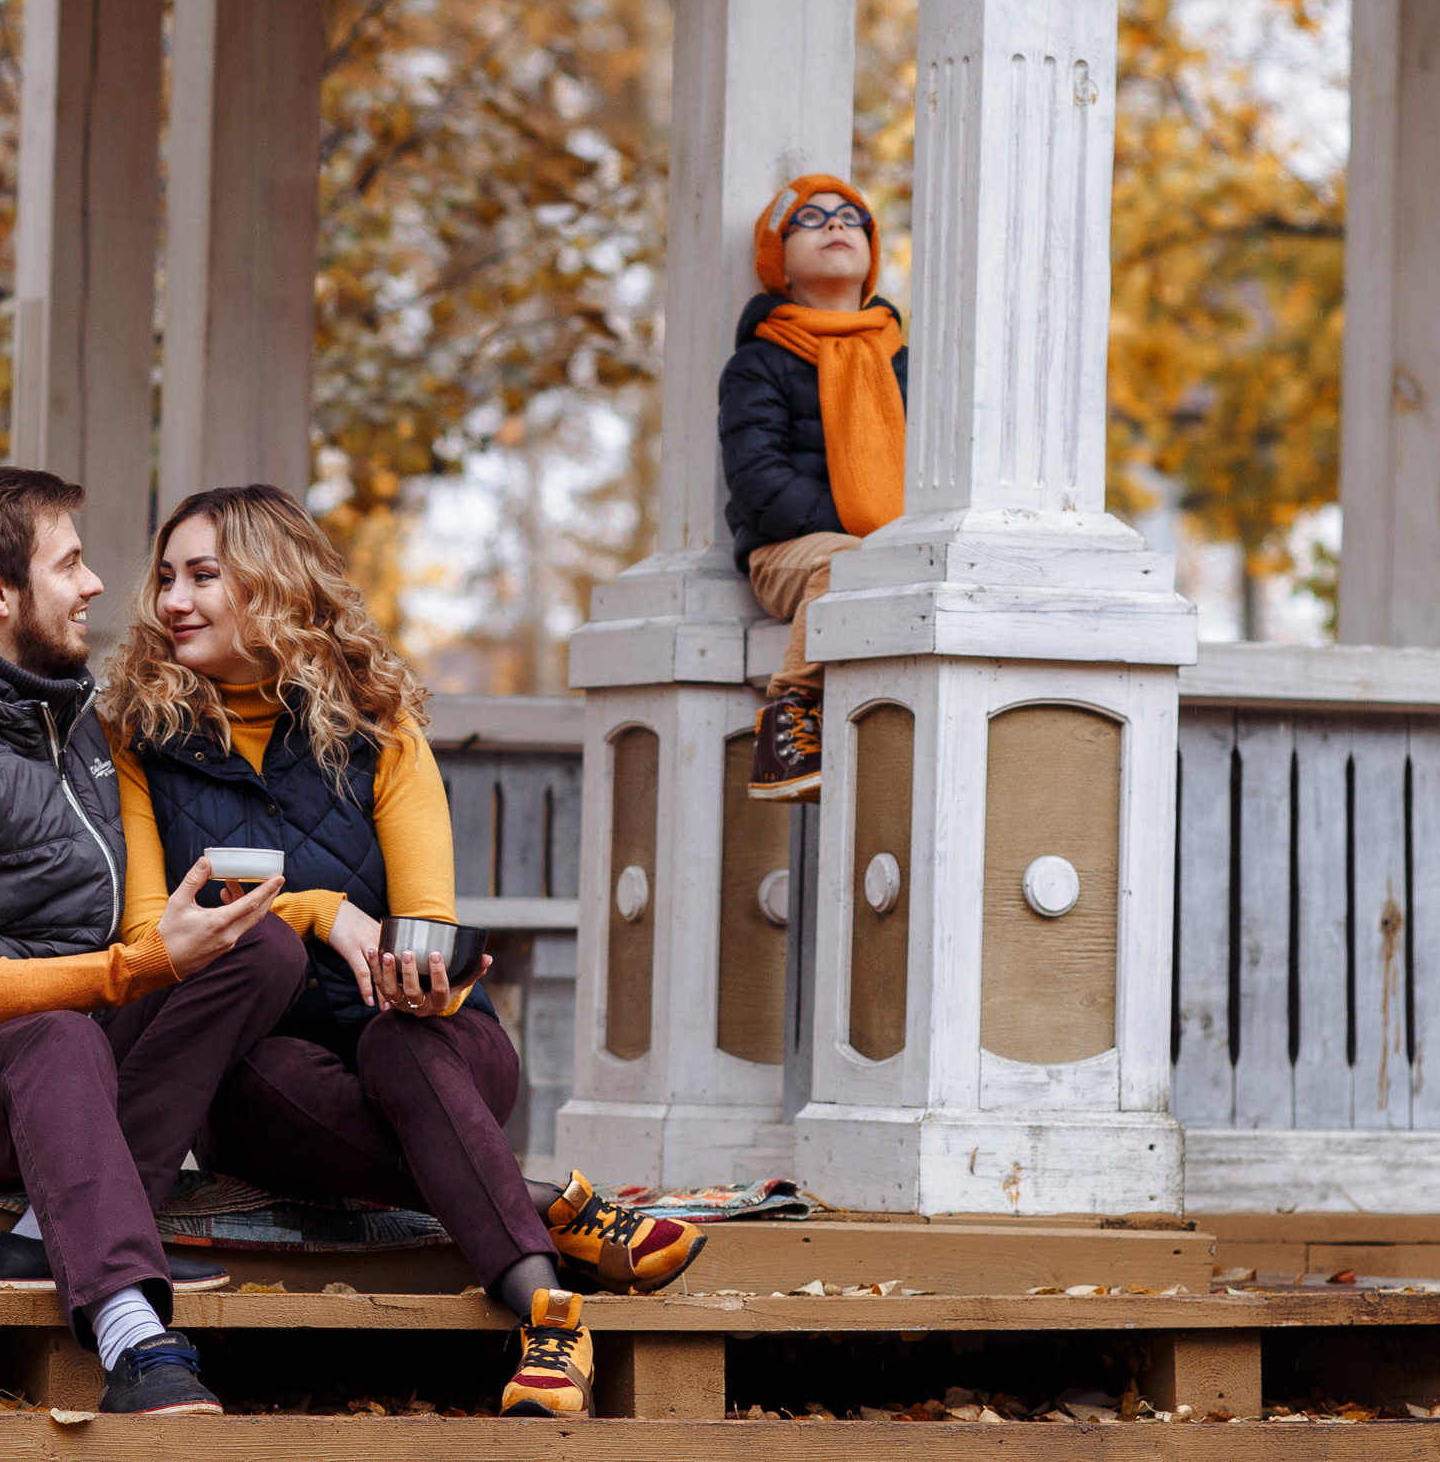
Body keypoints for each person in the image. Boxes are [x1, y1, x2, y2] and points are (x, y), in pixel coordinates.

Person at [100, 485, 708, 1420]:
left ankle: (545, 1318)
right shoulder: (144, 741)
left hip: (424, 1048)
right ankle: (547, 1218)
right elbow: (153, 939)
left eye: (203, 576)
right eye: (166, 578)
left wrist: (428, 983)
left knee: (402, 1047)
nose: (171, 600)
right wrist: (316, 910)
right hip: (270, 1085)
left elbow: (425, 921)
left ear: (275, 584)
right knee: (260, 1070)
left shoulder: (381, 730)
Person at [0, 466, 311, 1416]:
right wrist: (137, 968)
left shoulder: (75, 724)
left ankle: (53, 1225)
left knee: (260, 949)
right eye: (71, 562)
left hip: (65, 1064)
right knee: (61, 1033)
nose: (96, 584)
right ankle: (135, 1338)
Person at [719, 173, 909, 802]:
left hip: (885, 551)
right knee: (847, 562)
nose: (835, 224)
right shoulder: (761, 362)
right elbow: (759, 485)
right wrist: (867, 526)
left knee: (864, 564)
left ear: (871, 256)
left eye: (852, 217)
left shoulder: (904, 359)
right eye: (810, 218)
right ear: (780, 264)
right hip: (788, 553)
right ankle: (788, 716)